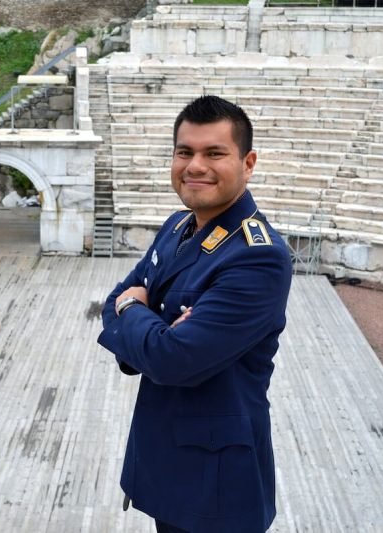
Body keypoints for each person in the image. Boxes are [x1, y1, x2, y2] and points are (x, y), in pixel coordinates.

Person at [97, 95, 292, 533]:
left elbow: (173, 358)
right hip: (166, 459)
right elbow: (112, 304)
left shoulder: (258, 257)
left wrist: (135, 308)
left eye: (214, 153)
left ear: (248, 162)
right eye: (185, 152)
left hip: (217, 487)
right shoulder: (177, 226)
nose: (195, 166)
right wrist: (150, 329)